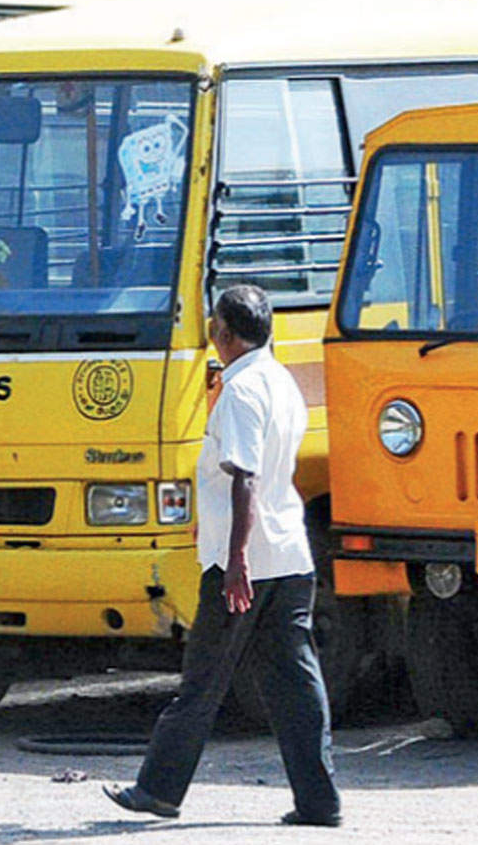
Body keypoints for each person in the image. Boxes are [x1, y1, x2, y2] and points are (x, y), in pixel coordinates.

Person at [103, 284, 341, 827]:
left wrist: (236, 562)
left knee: (203, 681)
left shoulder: (240, 390)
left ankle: (158, 790)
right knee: (296, 681)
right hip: (290, 553)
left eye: (215, 325)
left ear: (225, 334)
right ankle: (320, 801)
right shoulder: (279, 379)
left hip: (247, 563)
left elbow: (243, 479)